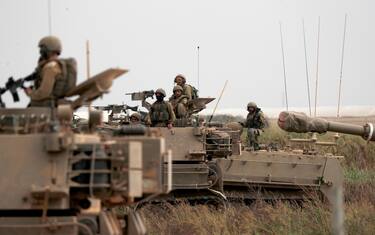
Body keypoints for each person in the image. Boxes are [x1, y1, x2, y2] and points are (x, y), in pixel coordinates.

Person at [24, 36, 76, 107]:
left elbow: (44, 92)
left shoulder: (50, 67)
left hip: (47, 106)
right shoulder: (57, 65)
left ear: (48, 49)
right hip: (55, 104)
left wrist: (30, 93)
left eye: (42, 48)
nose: (40, 52)